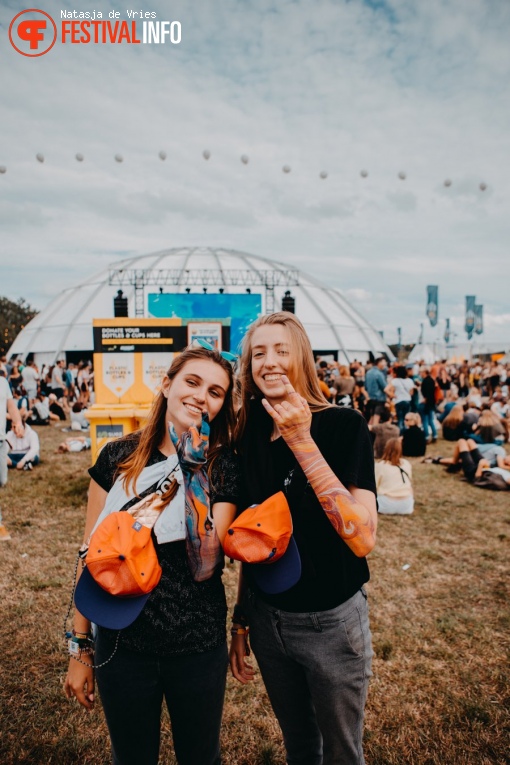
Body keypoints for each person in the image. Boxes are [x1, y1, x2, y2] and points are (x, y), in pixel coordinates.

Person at [64, 345, 240, 765]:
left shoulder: (222, 465)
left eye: (215, 392)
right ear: (167, 385)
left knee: (200, 757)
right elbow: (91, 555)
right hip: (123, 642)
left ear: (220, 406)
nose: (201, 396)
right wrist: (80, 648)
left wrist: (192, 471)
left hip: (197, 643)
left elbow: (207, 564)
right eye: (192, 382)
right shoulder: (116, 457)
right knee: (131, 757)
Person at [230, 312, 377, 765]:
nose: (268, 361)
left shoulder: (343, 425)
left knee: (341, 751)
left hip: (330, 624)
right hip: (268, 621)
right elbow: (251, 533)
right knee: (299, 746)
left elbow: (363, 536)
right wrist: (241, 617)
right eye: (258, 352)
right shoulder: (248, 433)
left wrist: (300, 438)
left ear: (303, 359)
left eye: (281, 350)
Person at [0, 374, 24, 540]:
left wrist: (18, 422)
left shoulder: (2, 382)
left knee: (1, 480)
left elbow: (11, 406)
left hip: (1, 441)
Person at [375, 438, 414, 515]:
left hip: (385, 505)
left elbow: (375, 485)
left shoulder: (380, 465)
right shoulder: (406, 463)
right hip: (406, 506)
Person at [365, 356, 388, 425]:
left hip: (371, 398)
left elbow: (366, 386)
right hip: (379, 399)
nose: (385, 364)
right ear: (379, 363)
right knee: (376, 419)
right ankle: (373, 435)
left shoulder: (368, 372)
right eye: (384, 362)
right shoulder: (379, 373)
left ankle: (367, 434)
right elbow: (384, 387)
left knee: (371, 418)